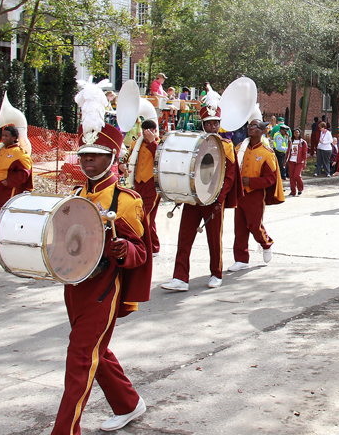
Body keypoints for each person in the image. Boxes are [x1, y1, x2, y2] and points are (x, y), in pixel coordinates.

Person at [35, 93, 152, 435]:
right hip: (75, 287)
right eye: (84, 155)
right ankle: (128, 403)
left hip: (105, 287)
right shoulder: (78, 196)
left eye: (96, 155)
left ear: (111, 159)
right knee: (96, 352)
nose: (87, 160)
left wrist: (122, 250)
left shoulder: (127, 200)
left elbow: (143, 251)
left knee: (80, 357)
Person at [160, 96, 242, 290]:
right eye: (209, 123)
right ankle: (180, 278)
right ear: (203, 125)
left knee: (214, 239)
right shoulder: (195, 142)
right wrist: (182, 192)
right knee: (184, 237)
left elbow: (229, 176)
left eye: (216, 123)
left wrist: (219, 199)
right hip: (194, 197)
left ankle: (216, 273)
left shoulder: (227, 145)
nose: (213, 126)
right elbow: (184, 167)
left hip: (213, 199)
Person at [228, 106, 284, 271]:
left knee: (254, 225)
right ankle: (241, 259)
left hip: (255, 195)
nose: (250, 128)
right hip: (240, 195)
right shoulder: (239, 148)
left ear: (262, 131)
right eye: (249, 126)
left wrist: (250, 182)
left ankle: (266, 243)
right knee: (239, 228)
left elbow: (270, 179)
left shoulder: (267, 153)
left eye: (254, 126)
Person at [0, 125, 33, 243]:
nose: (3, 138)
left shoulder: (18, 153)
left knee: (2, 212)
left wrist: (8, 182)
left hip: (8, 188)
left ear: (14, 137)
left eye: (6, 136)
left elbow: (24, 173)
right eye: (2, 135)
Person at [121, 119, 161, 256]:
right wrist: (122, 165)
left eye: (150, 131)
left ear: (155, 131)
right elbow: (127, 159)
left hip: (152, 184)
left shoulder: (160, 145)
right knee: (147, 215)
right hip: (138, 183)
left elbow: (160, 159)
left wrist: (153, 142)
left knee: (145, 215)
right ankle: (154, 246)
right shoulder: (136, 144)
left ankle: (144, 246)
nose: (146, 135)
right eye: (144, 132)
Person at [287, 127, 308, 196]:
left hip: (299, 161)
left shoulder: (303, 142)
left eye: (297, 132)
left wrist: (305, 162)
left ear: (299, 133)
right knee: (292, 177)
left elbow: (304, 153)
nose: (296, 134)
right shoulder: (291, 142)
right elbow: (288, 151)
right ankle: (293, 191)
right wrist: (285, 160)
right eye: (295, 133)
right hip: (291, 161)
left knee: (297, 175)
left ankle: (300, 188)